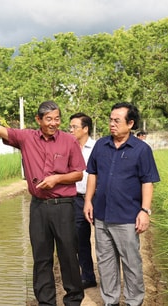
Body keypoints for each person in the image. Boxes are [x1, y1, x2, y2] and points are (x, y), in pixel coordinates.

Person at [0, 101, 85, 306]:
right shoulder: (26, 138)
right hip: (39, 206)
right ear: (38, 120)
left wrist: (57, 179)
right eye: (49, 119)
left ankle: (73, 301)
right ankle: (46, 302)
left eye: (57, 119)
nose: (54, 123)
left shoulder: (69, 141)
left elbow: (78, 173)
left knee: (68, 255)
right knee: (41, 257)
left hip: (63, 205)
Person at [83, 102, 160, 306]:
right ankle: (111, 301)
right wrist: (88, 201)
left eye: (117, 120)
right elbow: (92, 174)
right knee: (106, 262)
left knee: (131, 263)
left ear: (130, 123)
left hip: (127, 217)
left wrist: (144, 210)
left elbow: (147, 181)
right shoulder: (101, 145)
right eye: (110, 119)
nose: (112, 124)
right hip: (101, 215)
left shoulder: (141, 149)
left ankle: (134, 301)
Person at [68, 112, 97, 290]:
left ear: (85, 129)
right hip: (77, 200)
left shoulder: (98, 148)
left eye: (74, 127)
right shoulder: (69, 147)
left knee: (104, 240)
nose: (70, 130)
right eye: (69, 127)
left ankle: (111, 279)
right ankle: (88, 276)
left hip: (97, 198)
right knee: (80, 240)